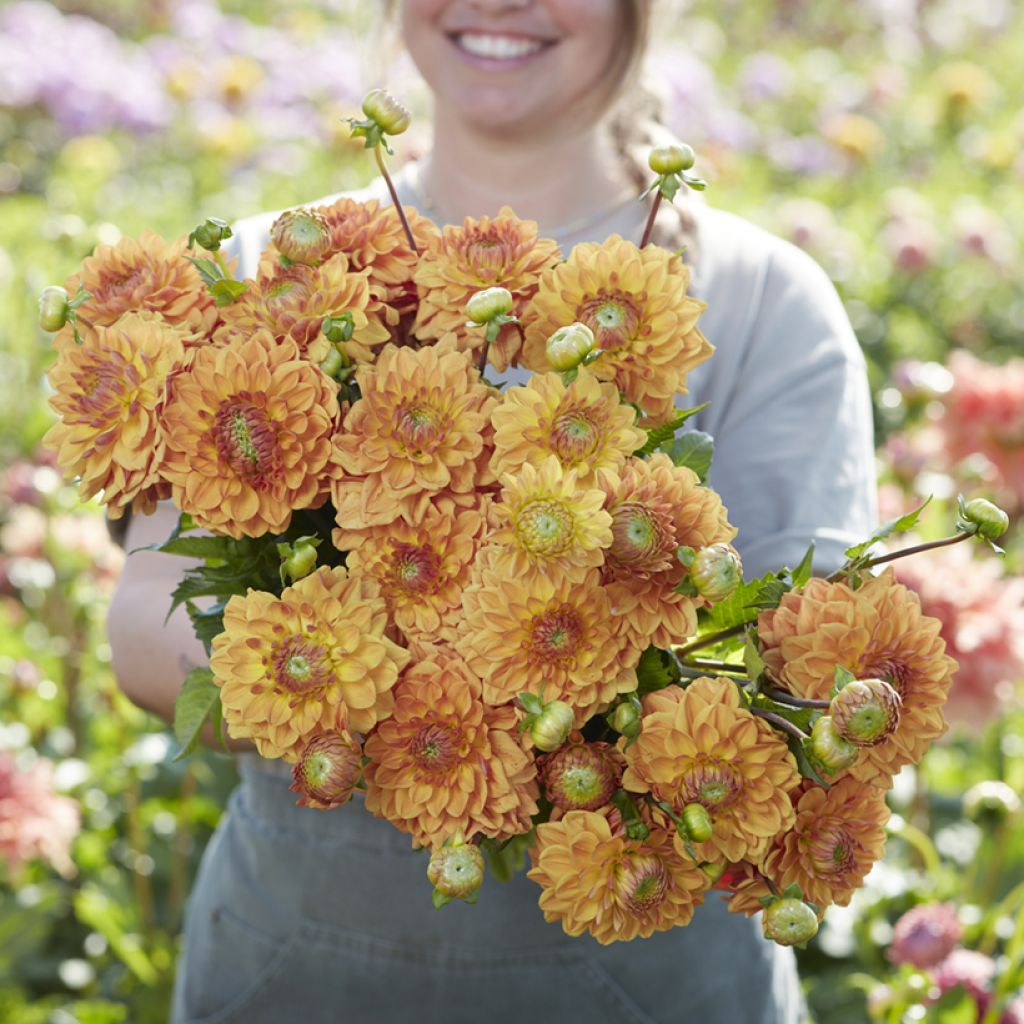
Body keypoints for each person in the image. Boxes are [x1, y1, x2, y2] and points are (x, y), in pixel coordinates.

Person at [107, 2, 877, 1021]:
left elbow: (810, 691)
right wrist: (364, 684)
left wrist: (527, 661)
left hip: (643, 986)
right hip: (292, 973)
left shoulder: (762, 299)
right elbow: (144, 627)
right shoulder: (280, 268)